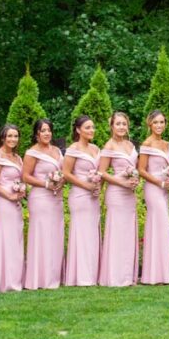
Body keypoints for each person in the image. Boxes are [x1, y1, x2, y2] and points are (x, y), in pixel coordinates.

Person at [98, 112, 140, 287]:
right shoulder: (109, 145)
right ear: (112, 126)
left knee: (128, 233)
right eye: (118, 124)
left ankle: (128, 275)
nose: (122, 127)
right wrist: (122, 182)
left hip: (130, 194)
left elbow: (136, 167)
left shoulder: (130, 144)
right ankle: (115, 276)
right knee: (117, 232)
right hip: (116, 193)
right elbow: (102, 172)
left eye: (124, 124)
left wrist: (134, 179)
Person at [22, 118, 65, 290]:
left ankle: (54, 275)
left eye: (49, 130)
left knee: (55, 235)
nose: (46, 133)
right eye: (43, 131)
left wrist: (60, 182)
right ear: (37, 134)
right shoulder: (32, 153)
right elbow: (26, 176)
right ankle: (39, 277)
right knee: (42, 235)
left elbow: (63, 172)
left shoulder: (56, 150)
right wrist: (46, 184)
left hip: (56, 198)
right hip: (40, 198)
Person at [62, 116, 101, 287]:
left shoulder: (95, 148)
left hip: (94, 196)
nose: (91, 130)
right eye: (87, 127)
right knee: (82, 233)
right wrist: (86, 185)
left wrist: (99, 184)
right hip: (80, 195)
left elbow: (102, 171)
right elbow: (66, 173)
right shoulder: (73, 149)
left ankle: (93, 274)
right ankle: (81, 276)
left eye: (93, 127)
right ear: (78, 130)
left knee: (92, 233)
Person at [0, 124, 25, 293]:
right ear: (2, 138)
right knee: (6, 237)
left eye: (15, 136)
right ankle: (4, 281)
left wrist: (21, 190)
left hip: (16, 201)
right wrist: (8, 195)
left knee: (15, 237)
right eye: (9, 136)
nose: (13, 139)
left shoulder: (17, 157)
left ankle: (15, 278)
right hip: (3, 201)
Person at [139, 110, 169, 285]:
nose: (159, 126)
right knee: (159, 224)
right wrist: (159, 183)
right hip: (153, 188)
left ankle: (163, 273)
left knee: (162, 227)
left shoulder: (167, 144)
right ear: (149, 125)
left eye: (162, 122)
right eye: (156, 123)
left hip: (165, 189)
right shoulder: (147, 143)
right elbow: (141, 170)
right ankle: (152, 274)